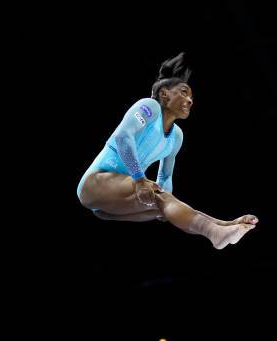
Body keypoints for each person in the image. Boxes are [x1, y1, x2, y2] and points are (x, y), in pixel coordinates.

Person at [77, 53, 257, 249]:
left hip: (110, 205)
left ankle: (223, 227)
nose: (189, 100)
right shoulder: (150, 107)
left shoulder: (176, 136)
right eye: (183, 92)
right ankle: (214, 230)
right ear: (164, 94)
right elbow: (123, 137)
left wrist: (168, 208)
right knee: (155, 192)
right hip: (95, 182)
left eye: (191, 97)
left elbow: (165, 178)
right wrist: (139, 179)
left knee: (162, 203)